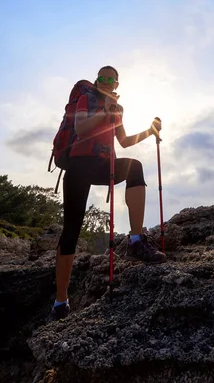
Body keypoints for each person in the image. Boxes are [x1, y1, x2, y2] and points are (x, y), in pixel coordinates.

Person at [50, 65, 166, 321]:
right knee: (71, 231)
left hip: (104, 165)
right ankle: (61, 302)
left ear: (116, 85)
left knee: (134, 167)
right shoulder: (86, 98)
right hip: (79, 166)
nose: (106, 81)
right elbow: (80, 128)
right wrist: (104, 112)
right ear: (97, 79)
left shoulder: (118, 109)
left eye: (111, 79)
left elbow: (123, 142)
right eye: (102, 77)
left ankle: (136, 241)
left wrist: (150, 131)